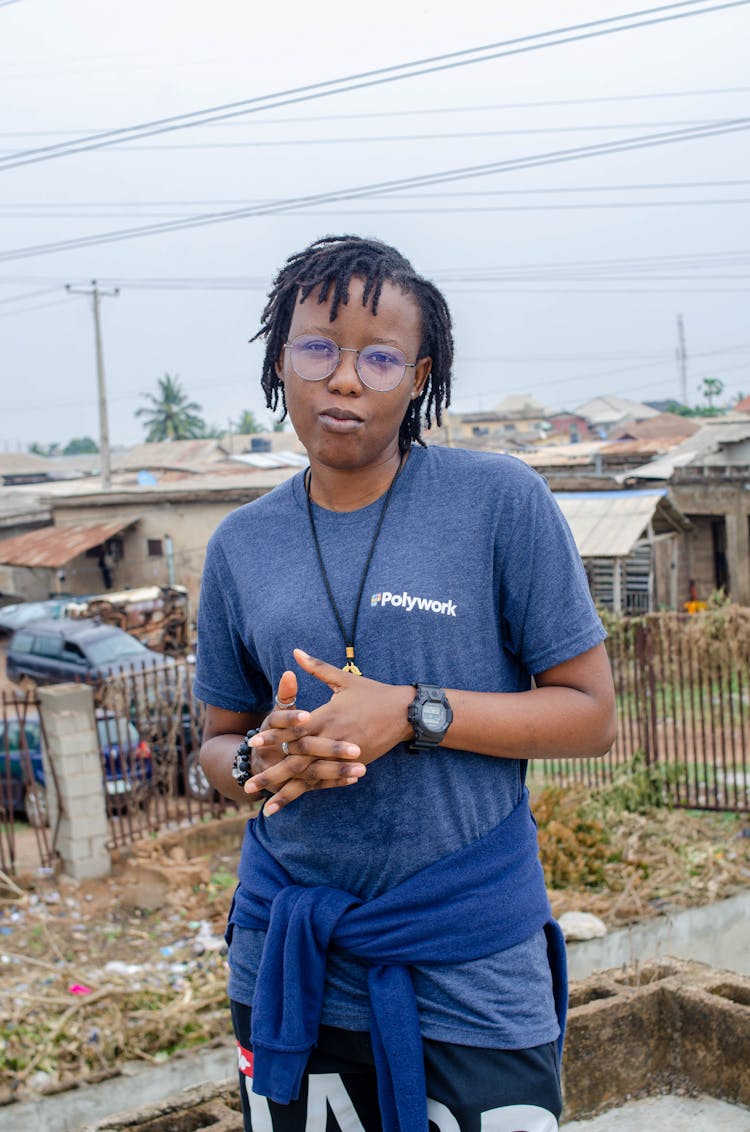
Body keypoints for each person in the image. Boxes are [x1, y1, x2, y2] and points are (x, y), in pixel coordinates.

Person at [195, 234, 616, 1132]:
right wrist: (262, 762)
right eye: (318, 348)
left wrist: (413, 713)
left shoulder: (499, 502)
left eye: (379, 357)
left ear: (418, 376)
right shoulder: (240, 545)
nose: (345, 379)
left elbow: (589, 716)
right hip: (289, 955)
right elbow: (216, 742)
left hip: (467, 953)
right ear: (281, 362)